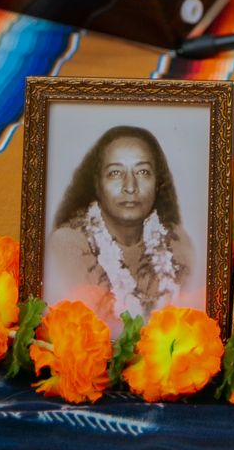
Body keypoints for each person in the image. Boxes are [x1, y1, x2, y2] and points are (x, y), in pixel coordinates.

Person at [45, 124, 194, 331]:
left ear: (157, 183)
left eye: (142, 172)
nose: (130, 187)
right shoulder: (67, 246)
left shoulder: (179, 243)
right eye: (115, 173)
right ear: (97, 184)